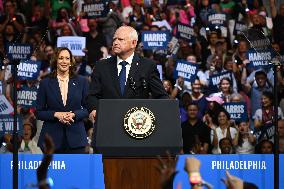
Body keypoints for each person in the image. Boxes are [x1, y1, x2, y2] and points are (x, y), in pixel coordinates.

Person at [87, 26, 168, 122]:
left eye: (120, 39)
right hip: (108, 122)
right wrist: (94, 109)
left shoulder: (148, 66)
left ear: (133, 43)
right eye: (114, 39)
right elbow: (92, 96)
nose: (115, 42)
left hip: (137, 125)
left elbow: (161, 97)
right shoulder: (101, 66)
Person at [36, 47, 89, 154]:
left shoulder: (82, 81)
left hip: (76, 139)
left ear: (71, 61)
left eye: (67, 58)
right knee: (52, 171)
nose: (64, 61)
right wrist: (56, 114)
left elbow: (88, 108)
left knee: (76, 171)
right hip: (51, 140)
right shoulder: (45, 83)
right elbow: (39, 112)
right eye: (61, 58)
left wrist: (74, 114)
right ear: (55, 60)